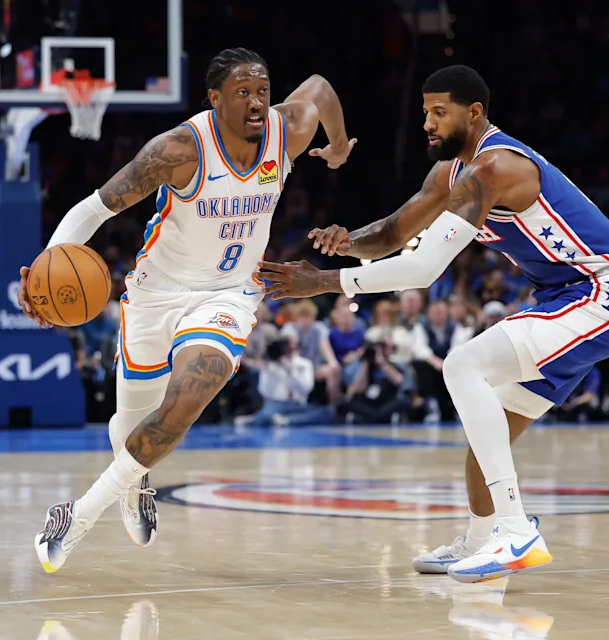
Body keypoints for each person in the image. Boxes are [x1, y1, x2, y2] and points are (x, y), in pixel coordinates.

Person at [257, 65, 609, 582]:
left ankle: (516, 532)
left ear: (475, 112)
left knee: (463, 366)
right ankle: (482, 539)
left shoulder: (495, 169)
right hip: (565, 297)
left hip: (604, 292)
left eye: (439, 112)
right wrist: (346, 243)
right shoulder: (450, 174)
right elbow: (395, 232)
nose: (428, 123)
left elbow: (423, 268)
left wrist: (328, 282)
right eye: (424, 112)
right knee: (487, 442)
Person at [18, 48, 356, 573]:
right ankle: (134, 483)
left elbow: (320, 88)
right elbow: (92, 209)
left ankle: (75, 516)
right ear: (214, 98)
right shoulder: (178, 150)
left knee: (184, 404)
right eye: (242, 92)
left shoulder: (285, 130)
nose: (256, 102)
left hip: (229, 295)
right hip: (157, 291)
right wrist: (43, 268)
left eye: (263, 91)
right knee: (131, 430)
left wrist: (336, 146)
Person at [249, 327, 334, 427]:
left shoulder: (304, 364)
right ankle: (279, 419)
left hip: (298, 404)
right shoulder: (271, 364)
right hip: (277, 403)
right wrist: (268, 371)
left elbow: (306, 389)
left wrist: (290, 370)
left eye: (289, 342)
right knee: (266, 416)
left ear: (296, 343)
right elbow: (264, 391)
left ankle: (287, 420)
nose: (287, 346)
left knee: (328, 412)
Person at [343, 338, 414, 424]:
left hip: (386, 403)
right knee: (350, 403)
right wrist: (365, 362)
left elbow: (399, 381)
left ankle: (368, 419)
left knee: (404, 402)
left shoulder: (394, 365)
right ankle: (378, 418)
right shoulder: (364, 366)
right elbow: (358, 390)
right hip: (368, 404)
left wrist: (382, 363)